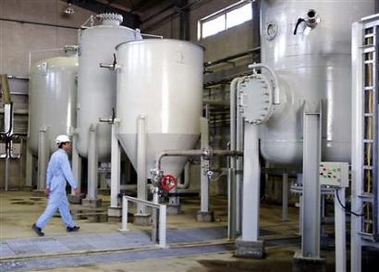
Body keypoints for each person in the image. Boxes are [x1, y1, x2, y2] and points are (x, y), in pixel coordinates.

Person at [32, 134, 80, 236]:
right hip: (59, 184)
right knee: (52, 207)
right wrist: (74, 186)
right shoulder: (63, 156)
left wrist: (48, 185)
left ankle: (70, 225)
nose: (69, 145)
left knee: (64, 206)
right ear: (63, 144)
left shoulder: (54, 155)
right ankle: (38, 225)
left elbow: (49, 171)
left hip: (55, 183)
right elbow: (67, 172)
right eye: (68, 143)